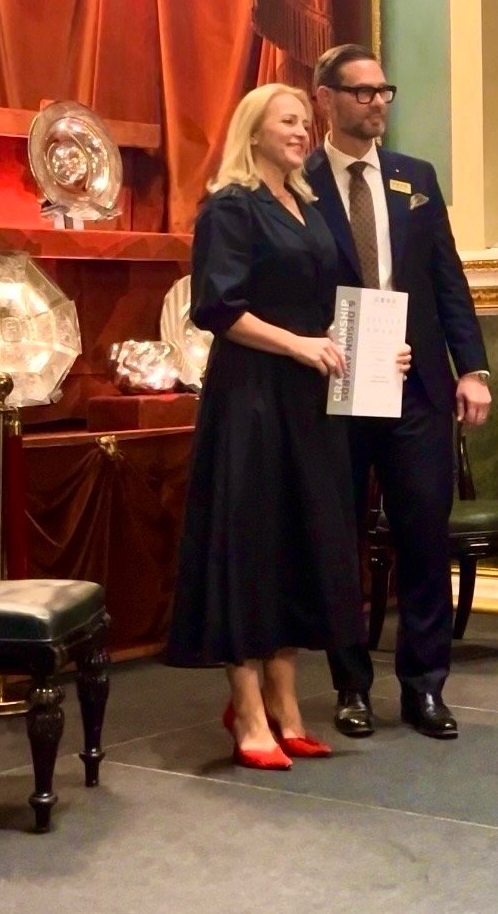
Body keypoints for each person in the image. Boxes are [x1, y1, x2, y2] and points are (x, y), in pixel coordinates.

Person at [165, 82, 410, 771]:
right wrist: (300, 346)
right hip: (251, 396)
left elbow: (326, 308)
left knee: (303, 544)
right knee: (252, 546)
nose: (303, 130)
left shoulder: (305, 206)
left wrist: (373, 350)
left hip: (309, 401)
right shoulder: (230, 207)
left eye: (307, 120)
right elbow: (218, 309)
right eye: (289, 121)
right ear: (255, 129)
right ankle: (247, 711)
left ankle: (287, 705)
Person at [305, 44, 491, 741]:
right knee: (339, 539)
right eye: (361, 92)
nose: (377, 103)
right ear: (326, 98)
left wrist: (470, 369)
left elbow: (448, 280)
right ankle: (351, 685)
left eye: (385, 90)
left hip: (416, 388)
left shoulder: (416, 178)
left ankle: (425, 687)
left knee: (422, 535)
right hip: (332, 384)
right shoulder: (300, 178)